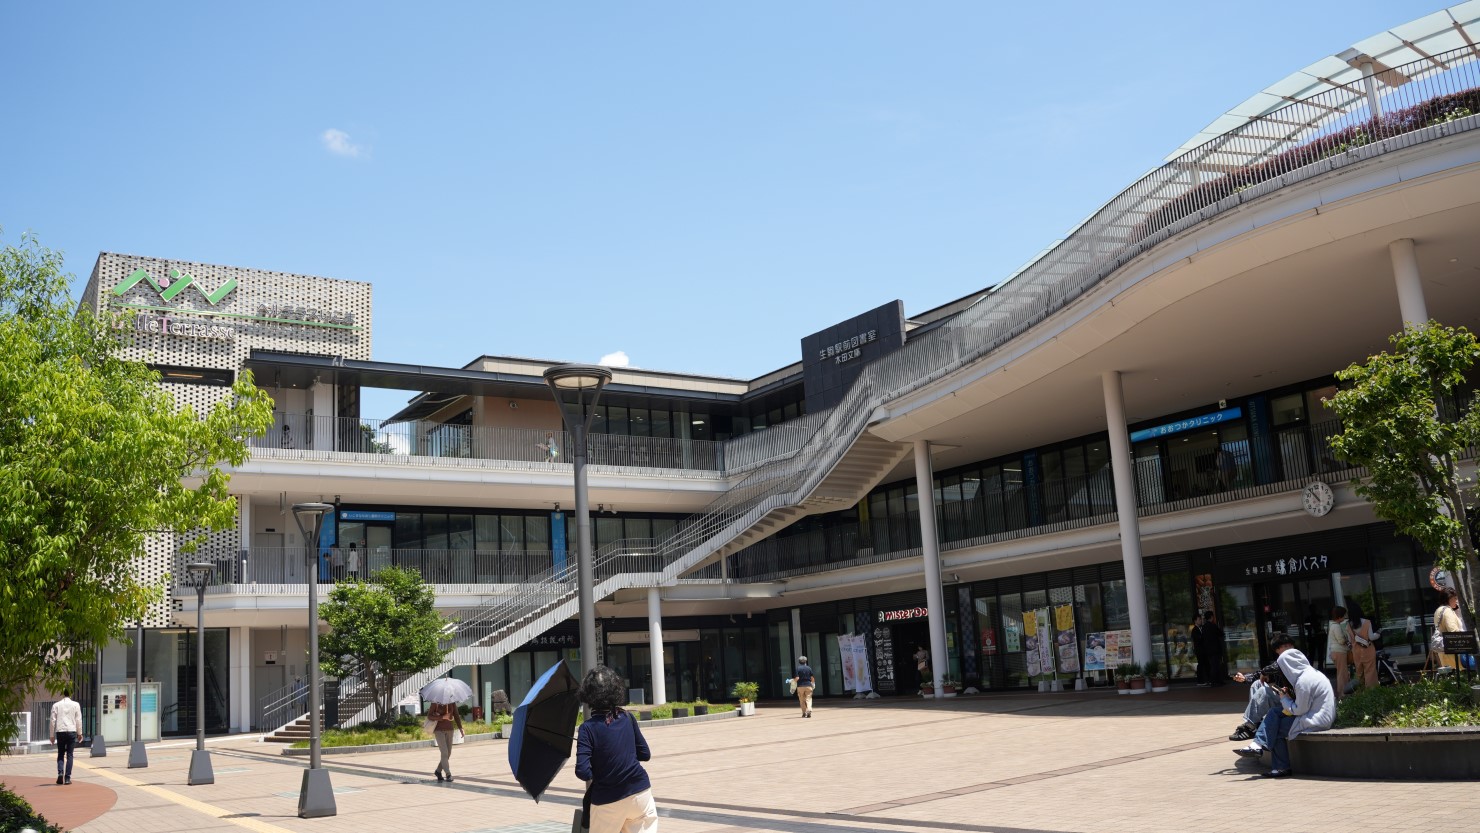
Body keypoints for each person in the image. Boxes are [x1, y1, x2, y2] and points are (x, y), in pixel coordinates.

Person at [1234, 633, 1334, 778]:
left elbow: (1300, 709)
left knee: (1275, 726)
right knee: (1275, 713)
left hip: (1316, 719)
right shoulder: (1309, 674)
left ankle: (1276, 763)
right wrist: (1287, 696)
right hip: (1314, 714)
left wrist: (1284, 699)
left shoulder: (1303, 681)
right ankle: (1259, 747)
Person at [575, 665, 658, 833]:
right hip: (640, 792)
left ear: (588, 695)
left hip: (607, 800)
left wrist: (599, 764)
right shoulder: (627, 717)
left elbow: (582, 771)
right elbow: (645, 754)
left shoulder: (587, 729)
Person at [1228, 663, 1283, 741]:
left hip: (1291, 701)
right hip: (1282, 695)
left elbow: (1274, 667)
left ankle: (1250, 726)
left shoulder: (1290, 659)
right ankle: (1255, 724)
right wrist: (1245, 678)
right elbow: (1265, 671)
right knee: (1257, 683)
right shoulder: (1282, 661)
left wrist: (1265, 673)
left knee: (1263, 690)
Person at [49, 688, 83, 785]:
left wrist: (51, 735)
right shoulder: (76, 705)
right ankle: (67, 778)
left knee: (60, 754)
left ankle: (60, 773)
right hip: (71, 731)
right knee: (70, 755)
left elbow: (52, 720)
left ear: (63, 694)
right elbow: (78, 720)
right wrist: (79, 733)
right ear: (70, 694)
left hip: (60, 731)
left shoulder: (56, 705)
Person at [429, 700, 463, 782]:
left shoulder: (452, 702)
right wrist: (442, 717)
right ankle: (448, 774)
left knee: (448, 753)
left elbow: (456, 715)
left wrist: (461, 728)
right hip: (438, 730)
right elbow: (429, 716)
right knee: (444, 753)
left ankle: (438, 771)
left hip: (450, 730)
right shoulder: (435, 702)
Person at [1347, 603, 1378, 690]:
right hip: (1368, 650)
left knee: (1359, 673)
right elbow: (1371, 637)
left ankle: (1360, 693)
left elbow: (1350, 641)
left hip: (1356, 651)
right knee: (1370, 671)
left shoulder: (1348, 625)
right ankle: (1371, 691)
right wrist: (1378, 634)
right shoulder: (1367, 622)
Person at [1433, 589, 1465, 671]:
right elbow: (1453, 631)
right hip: (1454, 652)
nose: (1456, 601)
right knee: (1461, 677)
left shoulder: (1438, 610)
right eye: (1455, 598)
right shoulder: (1448, 611)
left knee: (1451, 676)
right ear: (1449, 599)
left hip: (1444, 651)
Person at [1327, 606, 1352, 699]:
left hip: (1336, 652)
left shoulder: (1333, 626)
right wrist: (1347, 640)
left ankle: (1342, 692)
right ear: (1340, 616)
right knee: (1342, 674)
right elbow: (1341, 640)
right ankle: (1342, 693)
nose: (1345, 617)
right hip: (1339, 652)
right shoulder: (1336, 626)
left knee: (1342, 673)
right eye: (1344, 615)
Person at [1201, 611, 1226, 686]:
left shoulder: (1204, 627)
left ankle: (1215, 681)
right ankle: (1216, 681)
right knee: (1216, 666)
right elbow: (1220, 633)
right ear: (1211, 617)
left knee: (1213, 665)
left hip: (1208, 650)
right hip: (1215, 649)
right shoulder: (1213, 625)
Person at [1191, 614, 1209, 686]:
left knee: (1205, 664)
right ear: (1195, 621)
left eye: (1201, 619)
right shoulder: (1194, 630)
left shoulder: (1200, 628)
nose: (1201, 621)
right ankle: (1200, 681)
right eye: (1199, 619)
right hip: (1200, 651)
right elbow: (1199, 639)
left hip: (1203, 650)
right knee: (1201, 665)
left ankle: (1206, 679)